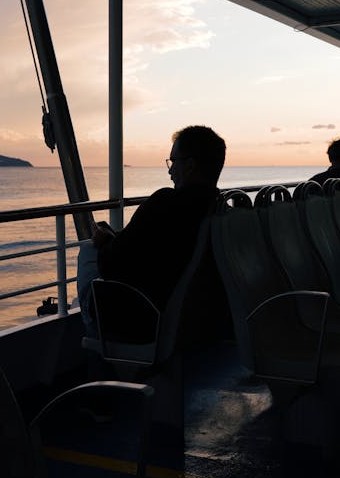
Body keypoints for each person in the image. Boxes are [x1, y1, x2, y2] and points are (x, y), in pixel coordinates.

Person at [78, 125, 228, 343]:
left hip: (149, 315)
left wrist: (104, 242)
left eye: (173, 162)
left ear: (190, 165)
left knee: (88, 250)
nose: (170, 171)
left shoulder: (166, 203)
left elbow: (112, 264)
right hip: (196, 316)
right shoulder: (218, 209)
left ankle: (101, 350)